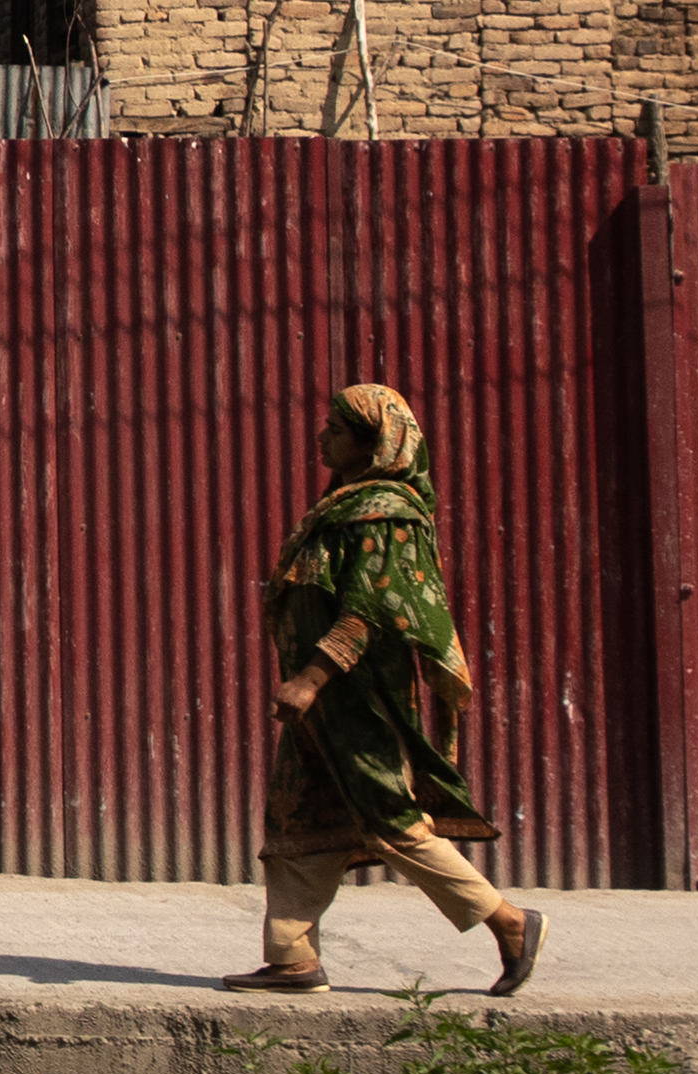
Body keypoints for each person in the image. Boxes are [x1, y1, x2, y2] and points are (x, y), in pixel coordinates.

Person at [232, 381, 541, 996]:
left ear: (376, 443)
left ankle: (508, 921)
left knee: (392, 819)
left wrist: (310, 678)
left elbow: (371, 608)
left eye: (337, 428)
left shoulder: (386, 514)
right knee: (299, 818)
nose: (322, 436)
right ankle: (293, 959)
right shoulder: (342, 507)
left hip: (354, 698)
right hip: (322, 706)